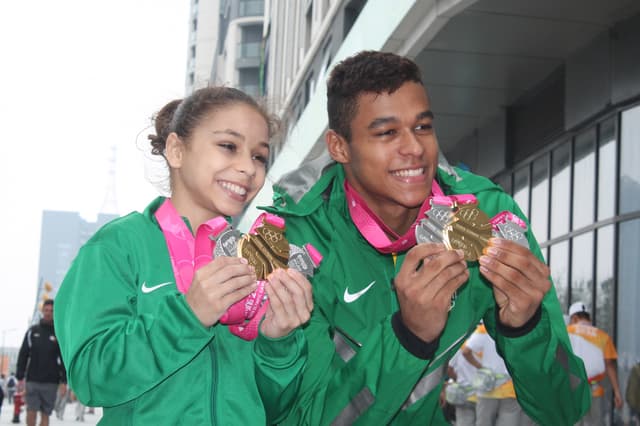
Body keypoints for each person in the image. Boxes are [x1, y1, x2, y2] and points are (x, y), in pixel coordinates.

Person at [262, 50, 591, 424]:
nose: (415, 148)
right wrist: (408, 337)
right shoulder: (294, 242)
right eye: (387, 133)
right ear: (339, 147)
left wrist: (527, 327)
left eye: (423, 127)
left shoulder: (489, 217)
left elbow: (566, 408)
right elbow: (303, 418)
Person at [54, 86, 314, 425]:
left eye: (259, 156)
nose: (248, 168)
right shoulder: (119, 246)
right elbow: (90, 377)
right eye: (228, 147)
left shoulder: (255, 259)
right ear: (176, 150)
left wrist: (277, 343)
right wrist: (188, 316)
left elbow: (275, 408)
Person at [567, 301, 623, 425]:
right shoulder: (602, 336)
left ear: (574, 318)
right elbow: (609, 365)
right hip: (594, 390)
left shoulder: (566, 333)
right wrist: (617, 392)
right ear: (588, 317)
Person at [463, 323, 527, 426]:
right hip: (511, 388)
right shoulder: (519, 327)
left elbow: (466, 351)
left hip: (487, 386)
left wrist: (481, 367)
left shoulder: (484, 329)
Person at [16, 299, 67, 426]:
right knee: (31, 411)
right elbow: (23, 354)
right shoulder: (32, 331)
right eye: (46, 310)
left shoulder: (59, 333)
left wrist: (64, 382)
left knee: (45, 414)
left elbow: (63, 359)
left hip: (51, 382)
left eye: (52, 311)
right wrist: (20, 377)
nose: (48, 313)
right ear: (42, 311)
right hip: (32, 380)